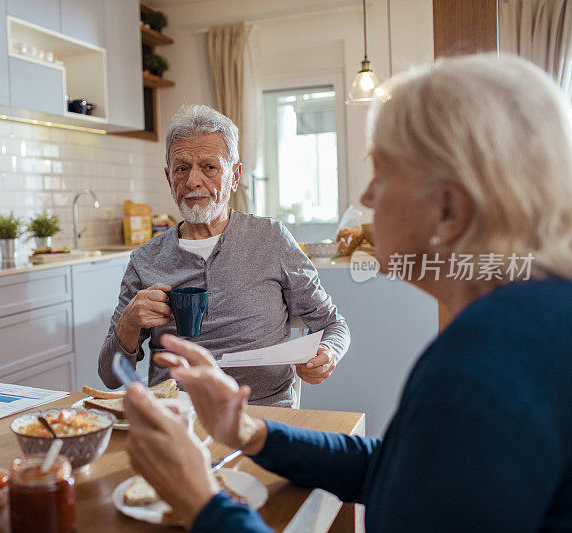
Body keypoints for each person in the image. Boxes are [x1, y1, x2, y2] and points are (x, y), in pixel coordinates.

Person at [122, 54, 572, 531]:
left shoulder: (485, 366)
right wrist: (252, 432)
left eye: (383, 173)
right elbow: (398, 470)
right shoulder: (524, 326)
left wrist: (200, 501)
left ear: (448, 209)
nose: (368, 198)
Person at [97, 104, 350, 407]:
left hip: (260, 413)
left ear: (234, 175)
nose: (193, 181)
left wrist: (328, 352)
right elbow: (110, 377)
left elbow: (333, 324)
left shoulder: (270, 238)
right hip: (175, 415)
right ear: (169, 178)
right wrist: (128, 324)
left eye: (209, 167)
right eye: (181, 168)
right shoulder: (146, 259)